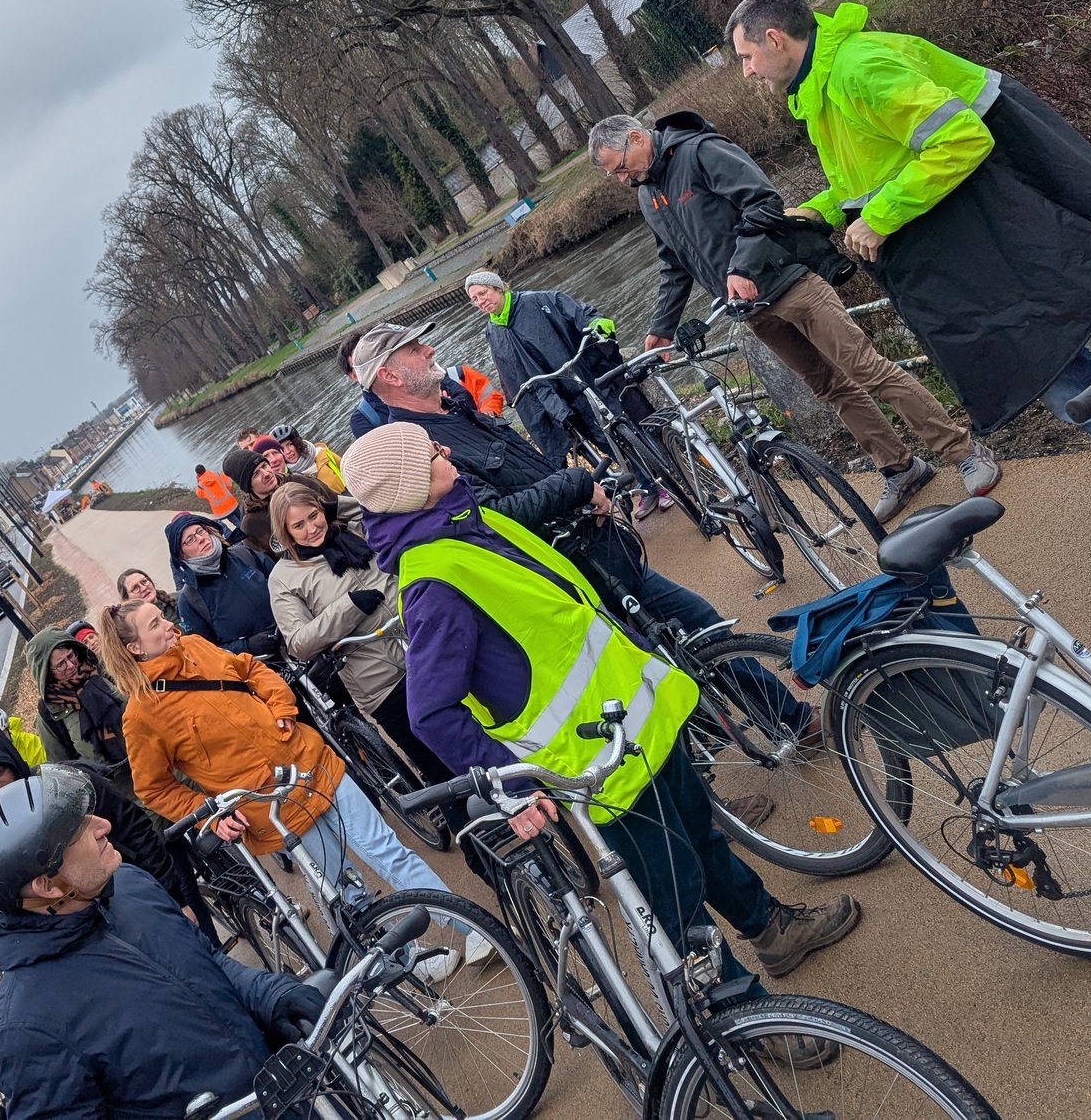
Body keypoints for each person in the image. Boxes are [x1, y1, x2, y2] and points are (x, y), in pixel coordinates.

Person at [343, 423, 861, 992]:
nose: (444, 449)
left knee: (702, 838)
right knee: (673, 896)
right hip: (595, 763)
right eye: (429, 453)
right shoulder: (432, 583)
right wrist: (514, 789)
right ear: (410, 484)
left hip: (632, 724)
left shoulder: (468, 523)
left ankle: (771, 929)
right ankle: (738, 1012)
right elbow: (431, 712)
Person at [730, 0, 1091, 563]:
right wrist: (819, 211)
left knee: (1056, 369)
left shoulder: (858, 69)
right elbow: (871, 171)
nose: (746, 72)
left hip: (992, 231)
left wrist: (880, 217)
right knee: (1051, 371)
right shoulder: (825, 85)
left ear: (775, 39)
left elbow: (961, 138)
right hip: (969, 239)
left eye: (747, 57)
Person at [348, 319, 804, 817]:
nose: (430, 348)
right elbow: (492, 519)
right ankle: (715, 792)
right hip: (569, 576)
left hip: (596, 549)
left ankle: (787, 721)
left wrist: (579, 486)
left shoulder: (456, 407)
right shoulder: (418, 451)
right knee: (658, 665)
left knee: (695, 629)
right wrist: (576, 485)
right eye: (415, 348)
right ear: (389, 376)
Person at [586, 111, 996, 521]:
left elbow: (763, 203)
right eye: (613, 175)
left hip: (792, 284)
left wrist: (742, 266)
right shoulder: (648, 193)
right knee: (829, 387)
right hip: (752, 310)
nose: (623, 179)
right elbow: (674, 264)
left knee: (867, 369)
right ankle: (901, 469)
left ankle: (963, 451)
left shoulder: (701, 151)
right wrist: (661, 329)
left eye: (620, 167)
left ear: (637, 139)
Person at [96, 598, 489, 972]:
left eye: (161, 617)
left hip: (312, 765)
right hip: (272, 808)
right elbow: (154, 788)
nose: (169, 625)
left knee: (389, 852)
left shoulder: (196, 646)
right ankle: (406, 964)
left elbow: (251, 669)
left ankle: (475, 930)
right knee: (345, 889)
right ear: (134, 648)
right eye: (155, 625)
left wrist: (281, 705)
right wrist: (211, 816)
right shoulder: (142, 717)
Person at [0, 767, 326, 1120]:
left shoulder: (129, 885)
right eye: (80, 831)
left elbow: (208, 965)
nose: (103, 826)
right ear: (48, 885)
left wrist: (272, 994)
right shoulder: (26, 1032)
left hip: (286, 1091)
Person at [265, 479, 450, 788]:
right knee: (434, 764)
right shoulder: (283, 579)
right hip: (381, 681)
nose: (312, 529)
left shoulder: (351, 529)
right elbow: (298, 642)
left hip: (425, 644)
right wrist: (348, 607)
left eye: (314, 515)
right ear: (285, 534)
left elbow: (374, 506)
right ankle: (467, 829)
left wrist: (336, 504)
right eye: (298, 525)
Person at [461, 269, 671, 520]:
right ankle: (645, 485)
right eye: (474, 299)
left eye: (482, 293)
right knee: (602, 444)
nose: (480, 301)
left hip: (580, 383)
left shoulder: (538, 301)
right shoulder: (493, 331)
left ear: (497, 288)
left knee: (618, 432)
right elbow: (511, 373)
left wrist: (595, 323)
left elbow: (579, 313)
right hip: (554, 402)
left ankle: (663, 481)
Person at [0, 715, 205, 920]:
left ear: (12, 760)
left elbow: (135, 828)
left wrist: (174, 899)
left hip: (140, 886)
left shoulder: (67, 783)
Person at [25, 626, 132, 788]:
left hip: (154, 758)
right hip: (118, 790)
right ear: (46, 672)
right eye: (60, 664)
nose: (70, 665)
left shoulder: (102, 672)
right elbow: (64, 770)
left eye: (71, 656)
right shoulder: (50, 716)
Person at [343, 328, 503, 435]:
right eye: (361, 364)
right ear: (354, 376)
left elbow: (479, 399)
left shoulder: (436, 378)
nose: (430, 350)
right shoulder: (364, 419)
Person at [165, 511, 284, 656]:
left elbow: (284, 584)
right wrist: (248, 646)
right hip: (262, 668)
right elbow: (206, 654)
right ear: (181, 554)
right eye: (190, 540)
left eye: (200, 531)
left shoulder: (243, 554)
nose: (200, 539)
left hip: (296, 638)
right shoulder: (190, 600)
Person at [271, 422, 346, 493]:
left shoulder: (322, 453)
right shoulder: (289, 480)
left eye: (290, 444)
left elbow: (347, 469)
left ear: (297, 443)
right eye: (282, 449)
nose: (287, 452)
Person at [115, 567, 179, 625]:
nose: (144, 588)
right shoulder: (135, 629)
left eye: (144, 581)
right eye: (135, 588)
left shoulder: (180, 598)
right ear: (127, 600)